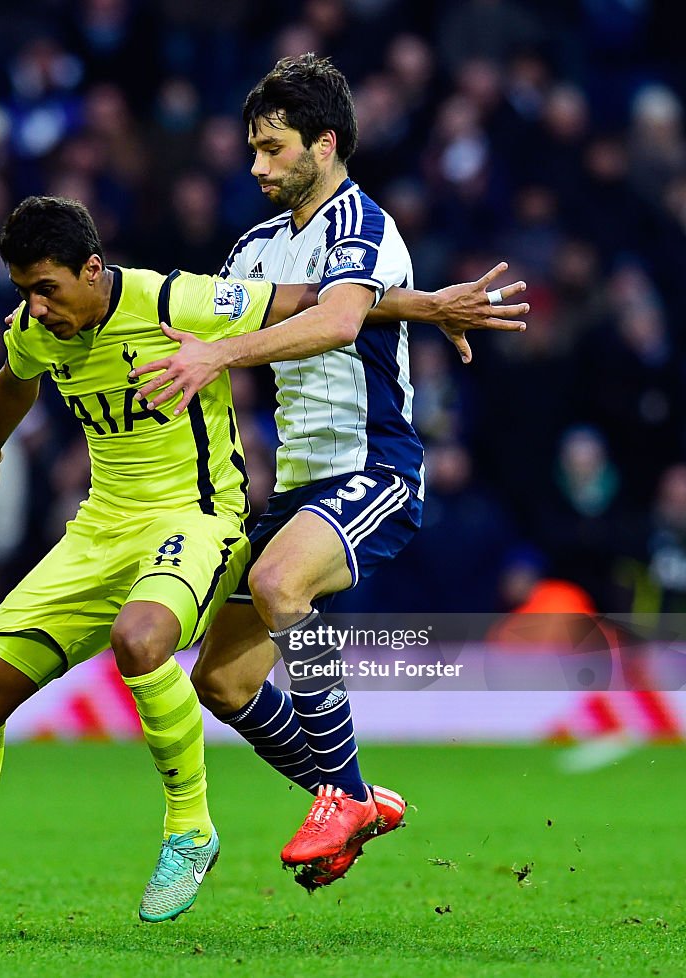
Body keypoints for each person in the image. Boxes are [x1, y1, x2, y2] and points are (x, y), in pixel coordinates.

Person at [0, 194, 327, 932]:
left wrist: (431, 306)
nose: (34, 306)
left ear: (93, 270)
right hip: (98, 534)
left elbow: (321, 302)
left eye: (47, 288)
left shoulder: (177, 299)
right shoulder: (37, 330)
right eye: (23, 291)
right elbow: (13, 378)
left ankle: (191, 829)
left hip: (197, 521)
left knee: (141, 640)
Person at [130, 54, 529, 890]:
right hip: (297, 488)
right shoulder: (256, 246)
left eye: (273, 149)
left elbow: (342, 316)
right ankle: (348, 796)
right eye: (252, 149)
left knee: (279, 584)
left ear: (327, 142)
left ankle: (342, 795)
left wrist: (225, 354)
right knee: (223, 680)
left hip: (375, 470)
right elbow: (254, 309)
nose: (256, 167)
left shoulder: (365, 224)